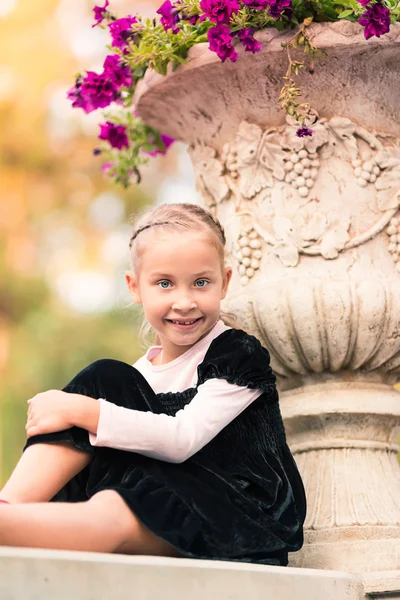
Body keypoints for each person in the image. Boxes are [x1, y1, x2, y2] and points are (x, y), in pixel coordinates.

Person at [0, 203, 306, 565]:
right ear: (135, 287)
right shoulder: (137, 377)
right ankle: (11, 504)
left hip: (237, 515)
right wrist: (87, 410)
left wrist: (83, 410)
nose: (184, 301)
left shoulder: (236, 354)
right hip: (160, 492)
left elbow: (181, 439)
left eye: (201, 282)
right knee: (105, 377)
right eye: (164, 283)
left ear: (224, 281)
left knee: (120, 502)